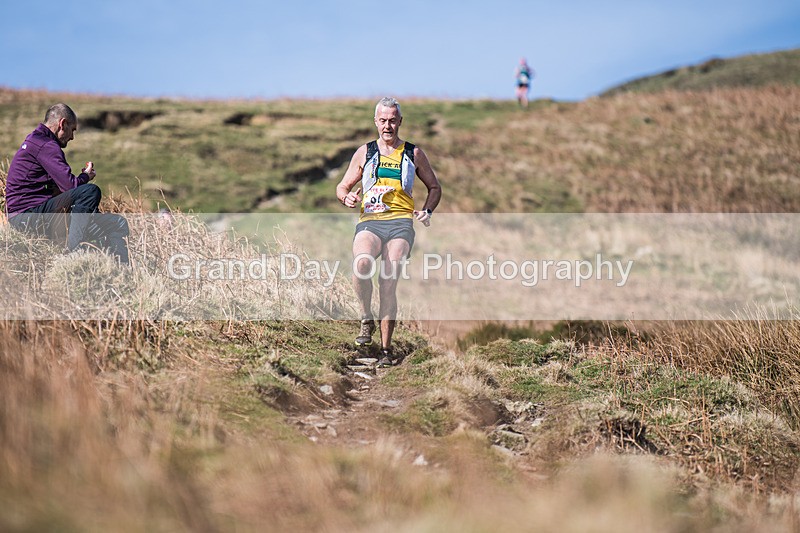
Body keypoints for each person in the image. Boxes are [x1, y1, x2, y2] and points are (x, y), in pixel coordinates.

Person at [336, 97, 442, 367]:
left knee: (388, 278)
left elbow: (435, 187)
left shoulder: (413, 153)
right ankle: (365, 318)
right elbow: (342, 186)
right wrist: (346, 198)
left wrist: (427, 211)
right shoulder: (365, 152)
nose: (388, 125)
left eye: (392, 120)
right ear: (375, 121)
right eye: (383, 120)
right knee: (361, 265)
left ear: (400, 122)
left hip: (400, 224)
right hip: (370, 221)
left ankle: (385, 350)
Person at [5, 103, 129, 264]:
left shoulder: (36, 141)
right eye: (73, 129)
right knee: (90, 191)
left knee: (117, 223)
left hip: (31, 215)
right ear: (62, 124)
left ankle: (123, 271)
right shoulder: (45, 145)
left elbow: (59, 190)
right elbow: (72, 187)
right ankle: (73, 254)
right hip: (26, 218)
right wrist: (85, 176)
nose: (72, 137)